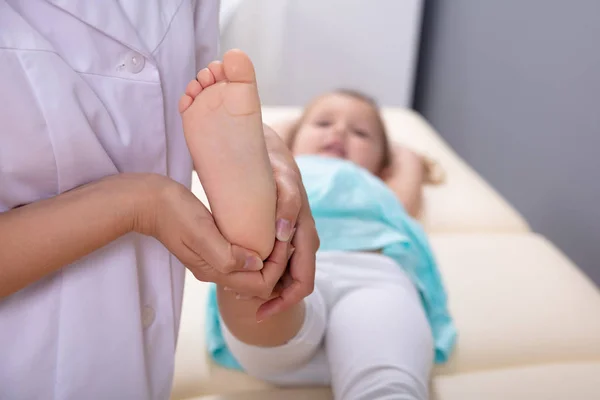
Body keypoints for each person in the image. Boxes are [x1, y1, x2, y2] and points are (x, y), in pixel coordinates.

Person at [0, 2, 318, 399]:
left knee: (272, 305)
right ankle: (251, 241)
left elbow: (195, 94)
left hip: (139, 365)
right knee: (279, 314)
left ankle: (250, 233)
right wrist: (138, 204)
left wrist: (267, 153)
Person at [204, 88, 457, 399]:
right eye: (322, 123)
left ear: (383, 167)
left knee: (388, 374)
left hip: (370, 273)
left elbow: (406, 194)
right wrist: (284, 141)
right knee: (259, 286)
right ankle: (253, 284)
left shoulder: (374, 185)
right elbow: (264, 140)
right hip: (287, 270)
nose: (338, 131)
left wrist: (407, 158)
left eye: (361, 133)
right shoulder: (287, 169)